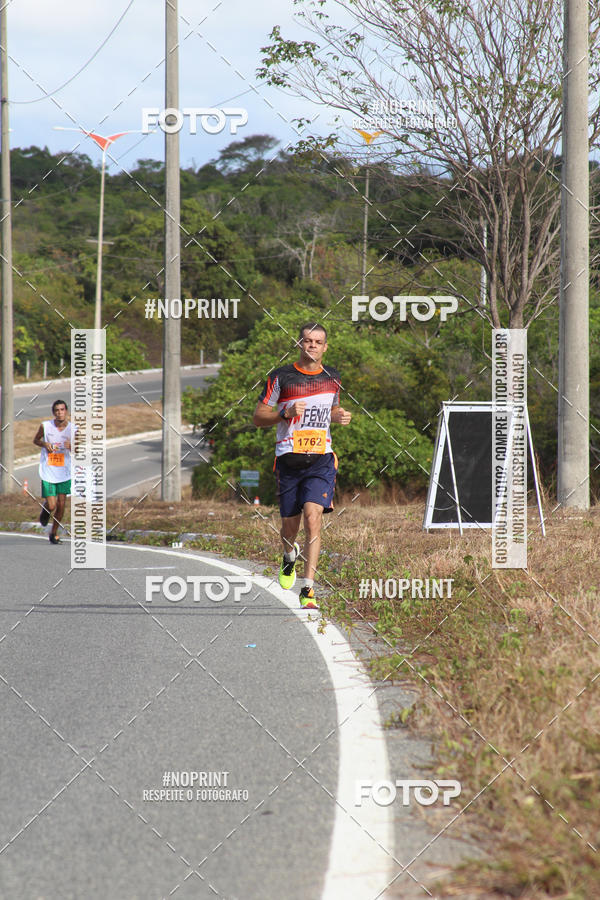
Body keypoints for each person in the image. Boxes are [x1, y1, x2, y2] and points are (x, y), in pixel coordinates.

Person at [253, 323, 352, 608]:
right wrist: (284, 413)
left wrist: (338, 415)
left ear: (325, 347)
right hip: (289, 459)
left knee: (313, 518)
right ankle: (288, 555)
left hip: (321, 459)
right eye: (307, 341)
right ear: (300, 344)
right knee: (289, 527)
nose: (312, 346)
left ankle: (308, 588)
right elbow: (259, 417)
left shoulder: (333, 378)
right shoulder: (281, 377)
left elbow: (331, 408)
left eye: (318, 342)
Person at [33, 399, 75, 545]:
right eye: (57, 410)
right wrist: (44, 443)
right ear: (53, 413)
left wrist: (72, 447)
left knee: (62, 505)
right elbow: (35, 440)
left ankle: (54, 533)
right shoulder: (45, 426)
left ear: (66, 411)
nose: (60, 412)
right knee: (52, 505)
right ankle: (45, 510)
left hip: (64, 471)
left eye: (62, 410)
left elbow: (80, 449)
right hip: (48, 470)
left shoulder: (73, 429)